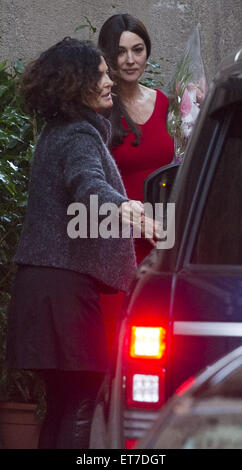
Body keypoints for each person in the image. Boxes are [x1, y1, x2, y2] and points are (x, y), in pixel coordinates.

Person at [6, 37, 155, 449]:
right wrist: (133, 213)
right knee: (80, 402)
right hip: (64, 293)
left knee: (61, 404)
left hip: (45, 288)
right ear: (80, 82)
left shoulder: (62, 130)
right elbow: (89, 186)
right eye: (103, 73)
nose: (110, 80)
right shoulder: (77, 136)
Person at [97, 14, 174, 352]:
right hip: (115, 239)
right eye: (120, 52)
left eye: (137, 49)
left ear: (147, 51)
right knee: (114, 341)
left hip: (161, 238)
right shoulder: (100, 107)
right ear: (108, 57)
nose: (130, 60)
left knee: (159, 341)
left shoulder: (164, 103)